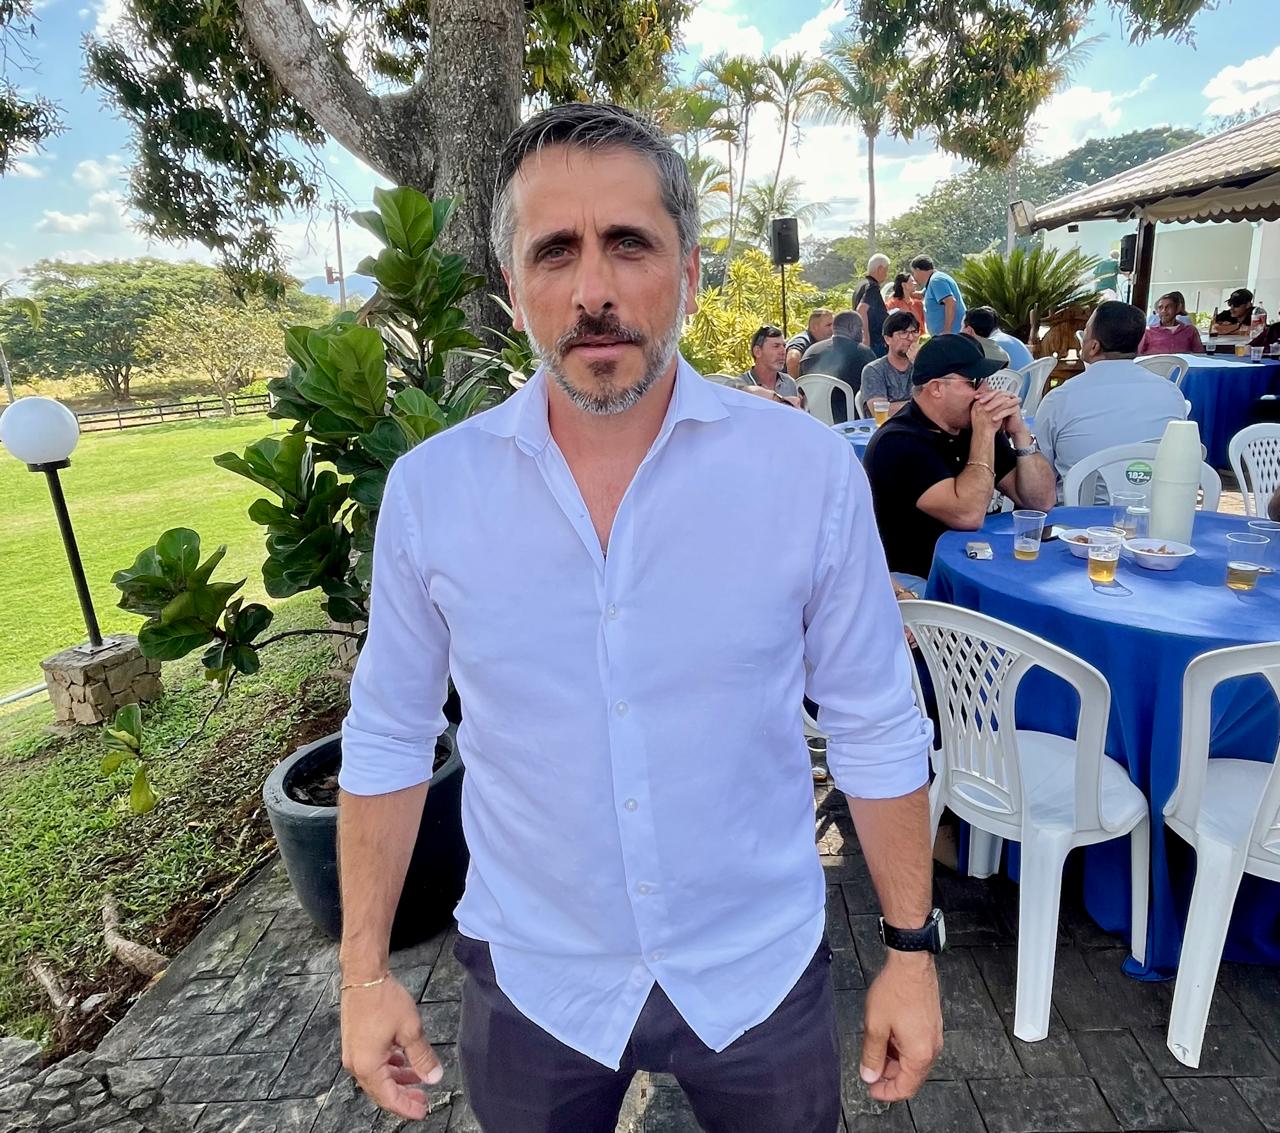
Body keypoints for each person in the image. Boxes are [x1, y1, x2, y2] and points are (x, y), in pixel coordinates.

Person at [337, 102, 942, 1133]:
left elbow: (875, 721)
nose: (593, 290)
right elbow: (391, 732)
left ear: (690, 273)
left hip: (755, 970)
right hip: (535, 978)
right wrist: (362, 972)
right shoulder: (433, 493)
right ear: (513, 287)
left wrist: (910, 951)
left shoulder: (802, 474)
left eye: (628, 242)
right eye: (554, 251)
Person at [862, 334, 1055, 580]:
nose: (986, 392)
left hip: (976, 568)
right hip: (919, 583)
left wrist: (1020, 434)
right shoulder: (898, 442)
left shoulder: (970, 427)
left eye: (987, 381)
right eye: (975, 382)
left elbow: (1041, 501)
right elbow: (968, 515)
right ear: (936, 388)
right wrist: (985, 434)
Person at [1035, 301, 1189, 497]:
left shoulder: (1060, 399)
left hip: (1077, 513)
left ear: (1093, 346)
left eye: (1086, 331)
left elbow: (1040, 473)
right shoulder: (1171, 394)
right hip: (1154, 511)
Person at [800, 310, 876, 422]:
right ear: (852, 328)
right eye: (861, 329)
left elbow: (802, 392)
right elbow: (874, 390)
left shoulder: (810, 352)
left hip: (815, 421)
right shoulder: (864, 353)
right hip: (851, 422)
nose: (862, 332)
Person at [860, 310, 919, 417]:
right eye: (903, 333)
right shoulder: (874, 370)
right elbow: (879, 411)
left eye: (914, 332)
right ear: (888, 339)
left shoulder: (923, 366)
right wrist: (921, 405)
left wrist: (919, 364)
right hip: (888, 425)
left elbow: (939, 400)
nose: (911, 338)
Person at [742, 324, 802, 405]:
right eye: (776, 346)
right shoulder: (738, 384)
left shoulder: (789, 383)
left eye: (784, 346)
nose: (783, 352)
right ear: (757, 352)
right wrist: (781, 400)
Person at [910, 255, 966, 336]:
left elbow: (950, 301)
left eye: (914, 272)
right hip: (947, 335)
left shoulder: (936, 281)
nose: (914, 277)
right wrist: (903, 290)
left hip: (951, 335)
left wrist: (947, 330)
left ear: (918, 270)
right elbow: (921, 295)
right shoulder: (933, 281)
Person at [1138, 293, 1203, 356]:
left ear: (1177, 309)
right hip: (1154, 363)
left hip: (1181, 363)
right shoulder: (1149, 332)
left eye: (1168, 307)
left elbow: (1200, 355)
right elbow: (1138, 355)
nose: (1163, 310)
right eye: (1160, 307)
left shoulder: (1190, 330)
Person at [853, 254, 891, 356]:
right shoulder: (872, 287)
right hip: (874, 342)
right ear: (880, 269)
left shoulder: (861, 285)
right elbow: (861, 309)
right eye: (886, 270)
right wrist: (866, 338)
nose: (886, 274)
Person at [786, 308, 833, 379]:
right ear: (814, 327)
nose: (832, 328)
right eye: (828, 325)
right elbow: (792, 358)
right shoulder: (803, 340)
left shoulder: (825, 342)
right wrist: (796, 384)